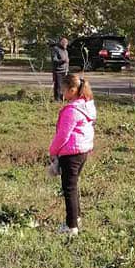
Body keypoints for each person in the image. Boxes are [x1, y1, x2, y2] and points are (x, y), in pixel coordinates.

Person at [48, 74, 96, 236]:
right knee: (73, 186)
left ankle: (71, 226)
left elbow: (63, 136)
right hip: (82, 152)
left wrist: (52, 151)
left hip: (71, 153)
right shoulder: (86, 106)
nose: (62, 92)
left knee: (68, 189)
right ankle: (77, 217)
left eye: (63, 89)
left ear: (72, 90)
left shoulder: (71, 111)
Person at [51, 37, 70, 101]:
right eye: (64, 42)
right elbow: (54, 60)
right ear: (61, 42)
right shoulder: (56, 49)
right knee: (58, 86)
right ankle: (57, 99)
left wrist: (67, 69)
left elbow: (67, 61)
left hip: (65, 71)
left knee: (64, 86)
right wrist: (63, 60)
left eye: (66, 43)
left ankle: (62, 97)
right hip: (58, 71)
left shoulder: (66, 51)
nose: (66, 44)